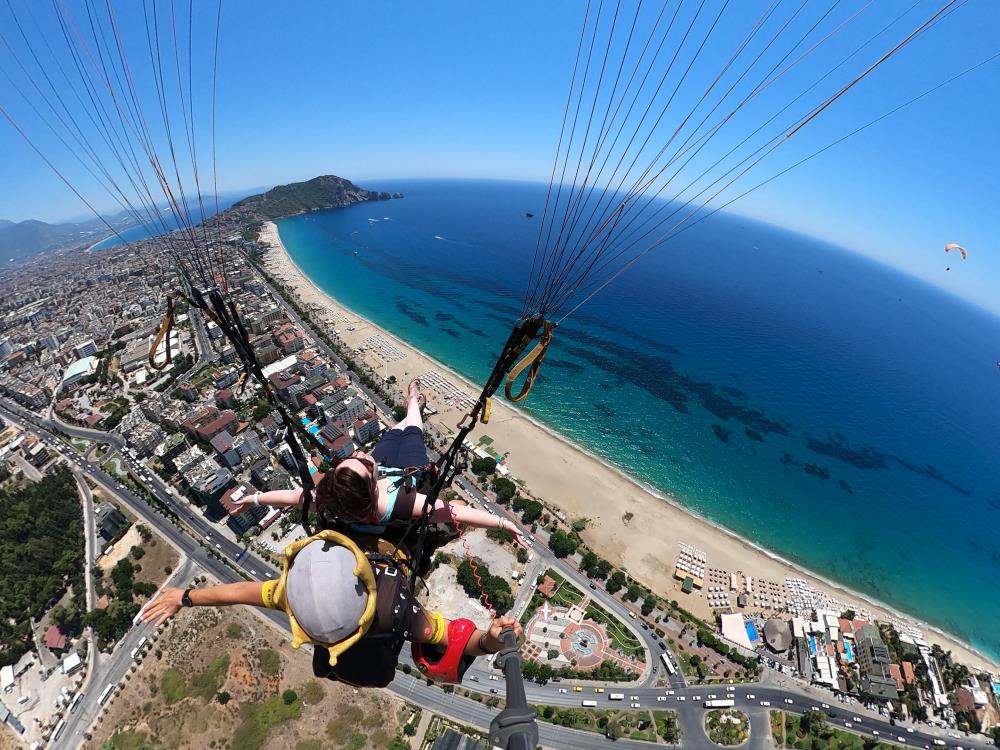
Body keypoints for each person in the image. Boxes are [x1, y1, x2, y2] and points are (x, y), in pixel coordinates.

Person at [141, 528, 522, 687]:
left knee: (325, 665)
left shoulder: (292, 594)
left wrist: (185, 598)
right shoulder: (394, 607)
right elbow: (456, 638)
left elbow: (237, 592)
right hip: (374, 655)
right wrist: (489, 641)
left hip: (346, 655)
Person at [231, 379, 529, 547]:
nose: (359, 454)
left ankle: (413, 407)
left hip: (382, 465)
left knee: (395, 430)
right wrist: (504, 522)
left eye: (350, 459)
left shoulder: (331, 497)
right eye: (362, 463)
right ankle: (414, 402)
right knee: (412, 427)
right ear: (372, 487)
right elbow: (455, 512)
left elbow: (291, 497)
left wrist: (254, 497)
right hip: (407, 475)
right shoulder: (399, 504)